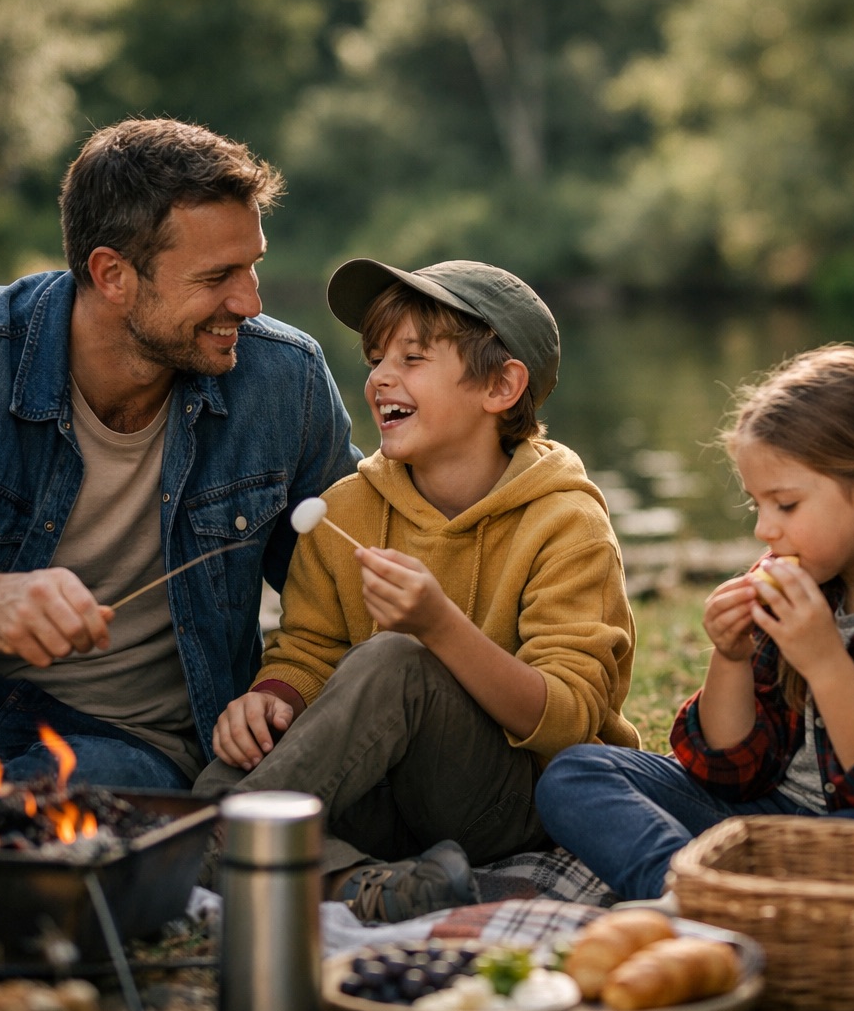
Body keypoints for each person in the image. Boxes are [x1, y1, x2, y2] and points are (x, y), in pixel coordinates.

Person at [0, 118, 361, 791]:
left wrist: (282, 691)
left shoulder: (287, 380)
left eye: (253, 265)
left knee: (77, 792)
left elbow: (336, 593)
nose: (250, 302)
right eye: (218, 276)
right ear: (112, 274)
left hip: (124, 748)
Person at [193, 258, 640, 922]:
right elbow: (308, 651)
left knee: (394, 660)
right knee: (233, 769)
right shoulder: (345, 510)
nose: (380, 377)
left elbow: (568, 719)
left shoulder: (567, 523)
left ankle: (218, 846)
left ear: (501, 386)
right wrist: (272, 700)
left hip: (515, 804)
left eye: (412, 357)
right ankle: (370, 884)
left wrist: (438, 626)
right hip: (385, 791)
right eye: (376, 357)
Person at [534, 344, 854, 901]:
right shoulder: (801, 577)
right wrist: (731, 657)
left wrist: (824, 661)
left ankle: (710, 898)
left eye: (786, 505)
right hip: (765, 820)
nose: (765, 529)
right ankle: (690, 895)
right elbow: (729, 772)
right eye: (757, 505)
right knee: (576, 776)